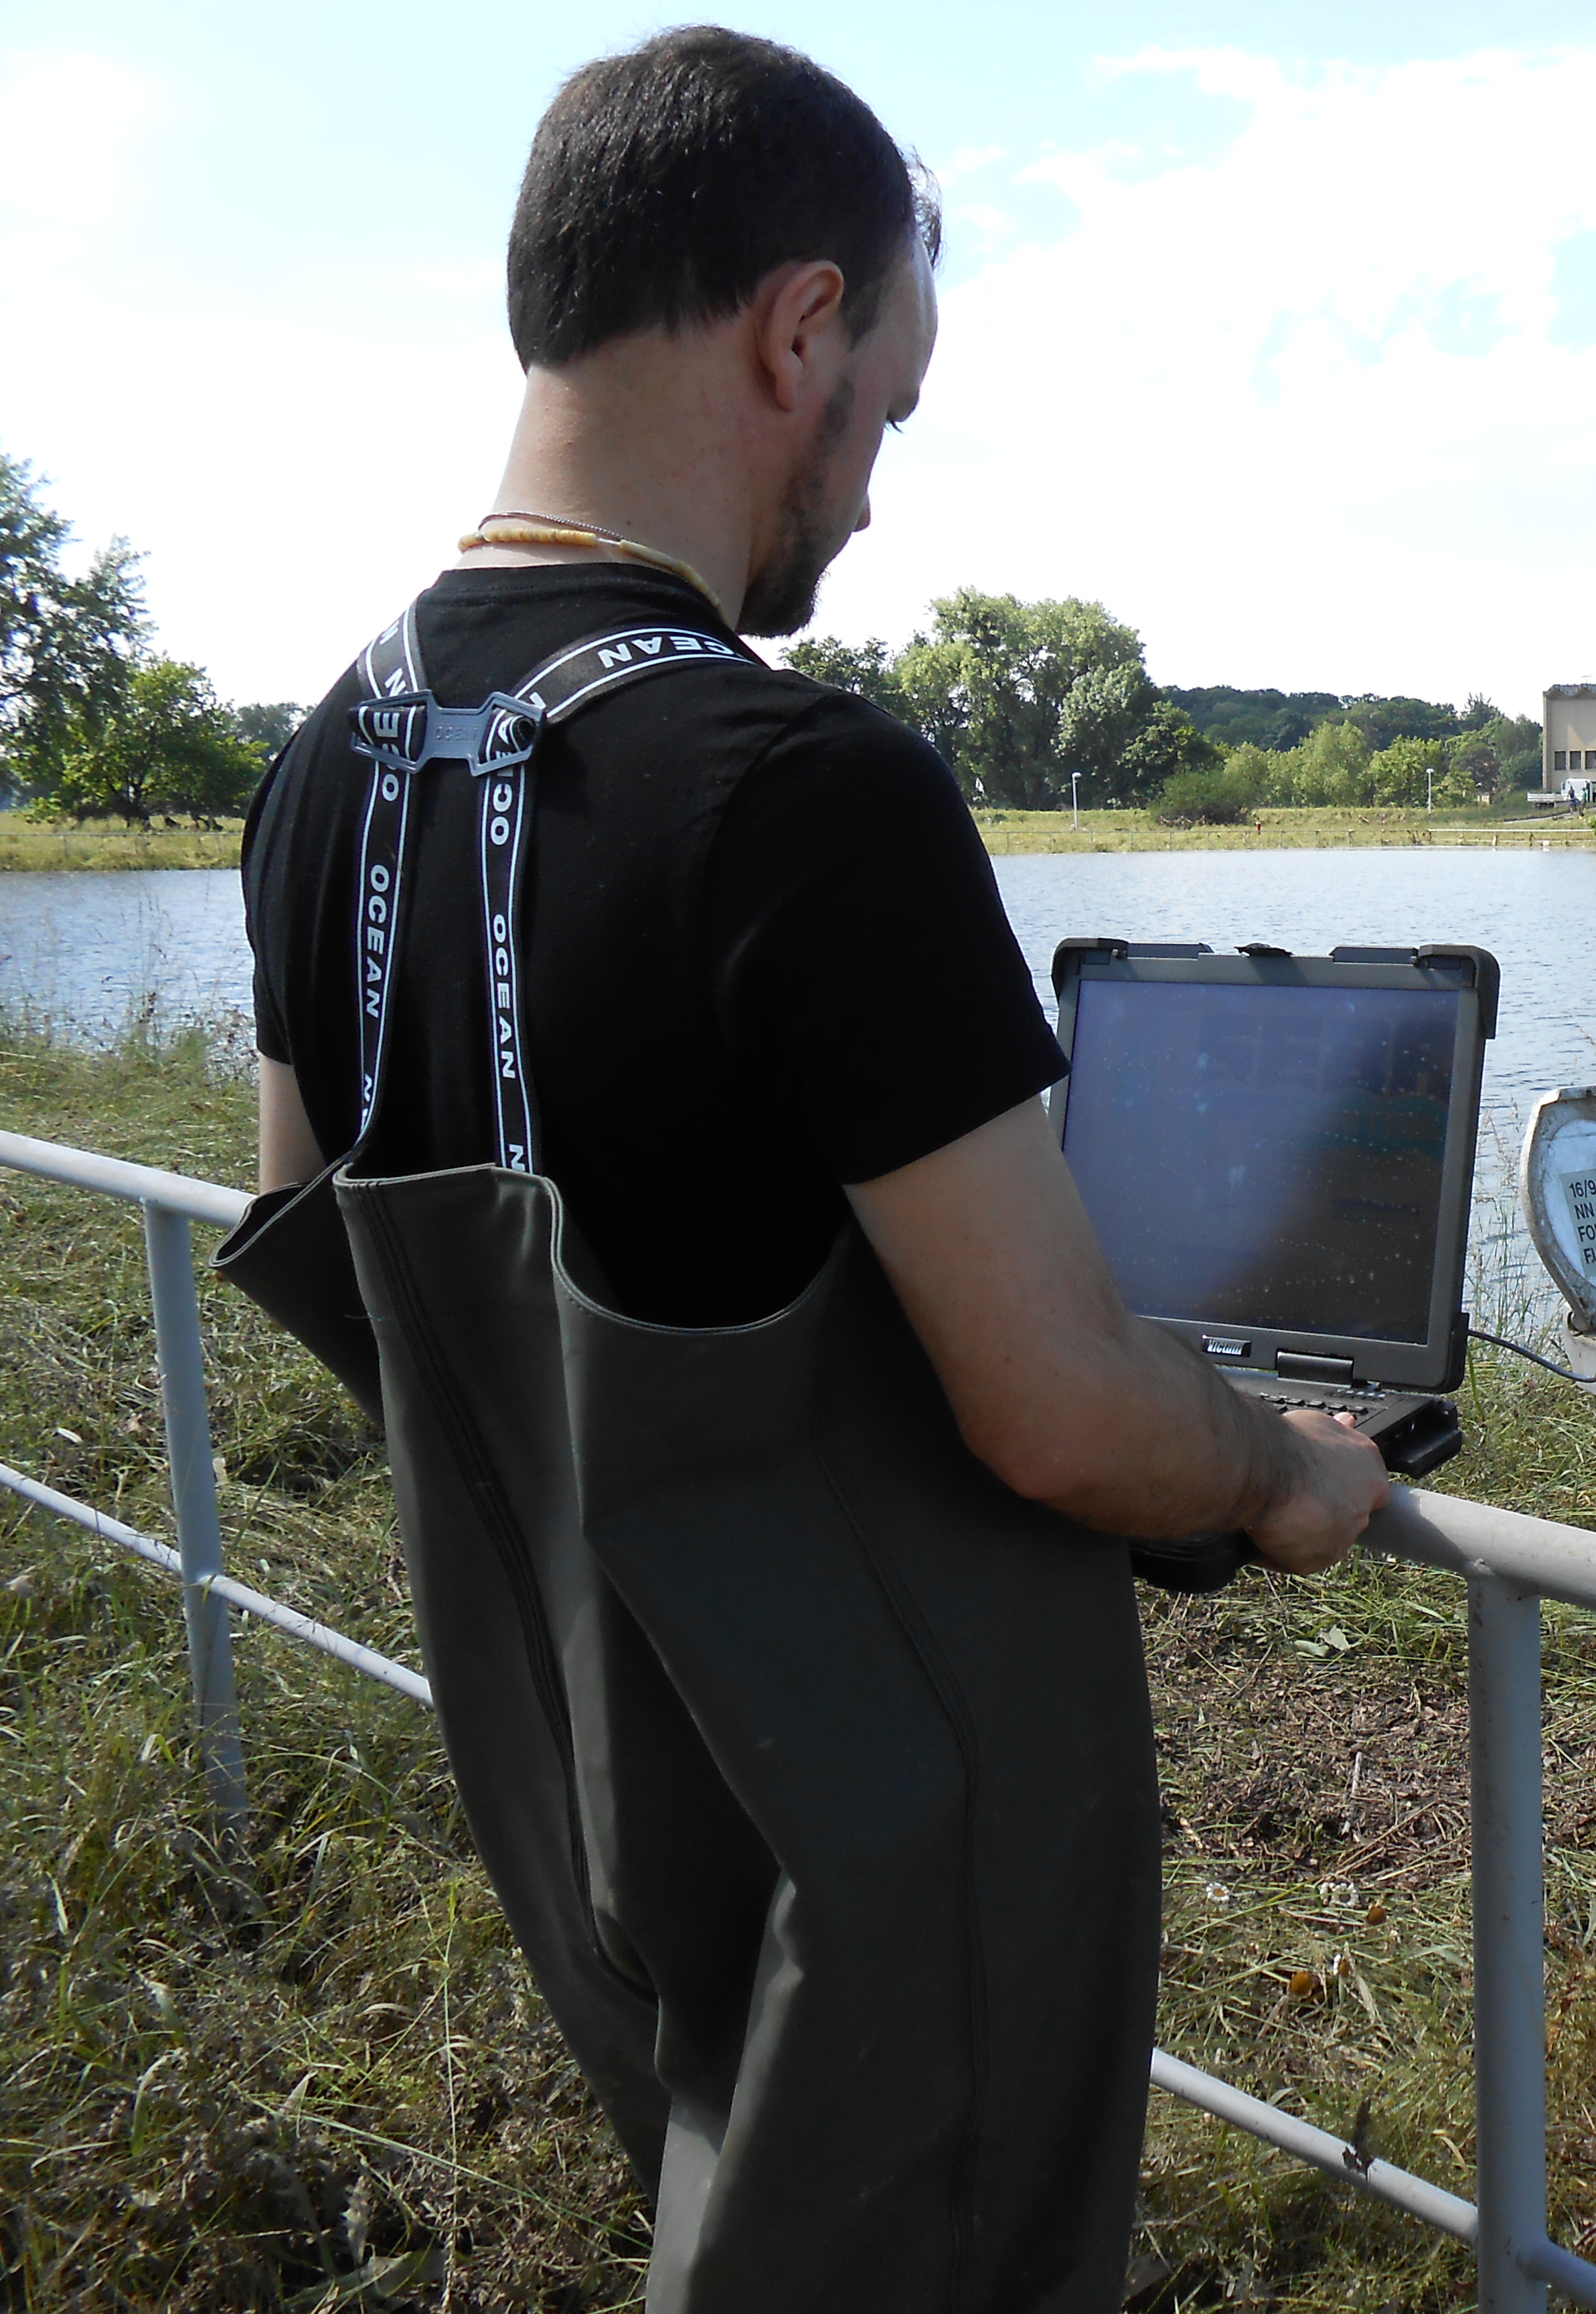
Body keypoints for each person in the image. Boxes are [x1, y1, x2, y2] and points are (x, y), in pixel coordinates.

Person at [224, 29, 1388, 2311]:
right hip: (898, 1864)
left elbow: (328, 1256)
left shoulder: (313, 778)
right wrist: (1272, 1467)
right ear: (797, 326)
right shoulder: (800, 792)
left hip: (590, 1800)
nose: (870, 492)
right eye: (892, 408)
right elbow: (1054, 1403)